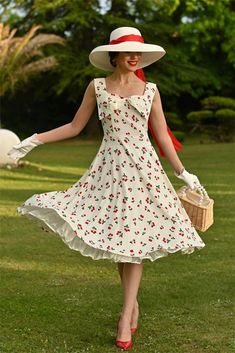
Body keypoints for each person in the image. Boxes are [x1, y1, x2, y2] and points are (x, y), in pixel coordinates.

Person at [8, 27, 206, 350]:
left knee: (135, 242)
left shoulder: (150, 91)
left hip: (144, 174)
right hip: (109, 172)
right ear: (113, 55)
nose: (133, 56)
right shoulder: (97, 87)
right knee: (119, 238)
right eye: (127, 50)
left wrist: (184, 174)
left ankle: (125, 314)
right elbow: (74, 127)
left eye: (137, 51)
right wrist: (34, 140)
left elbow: (163, 136)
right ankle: (133, 304)